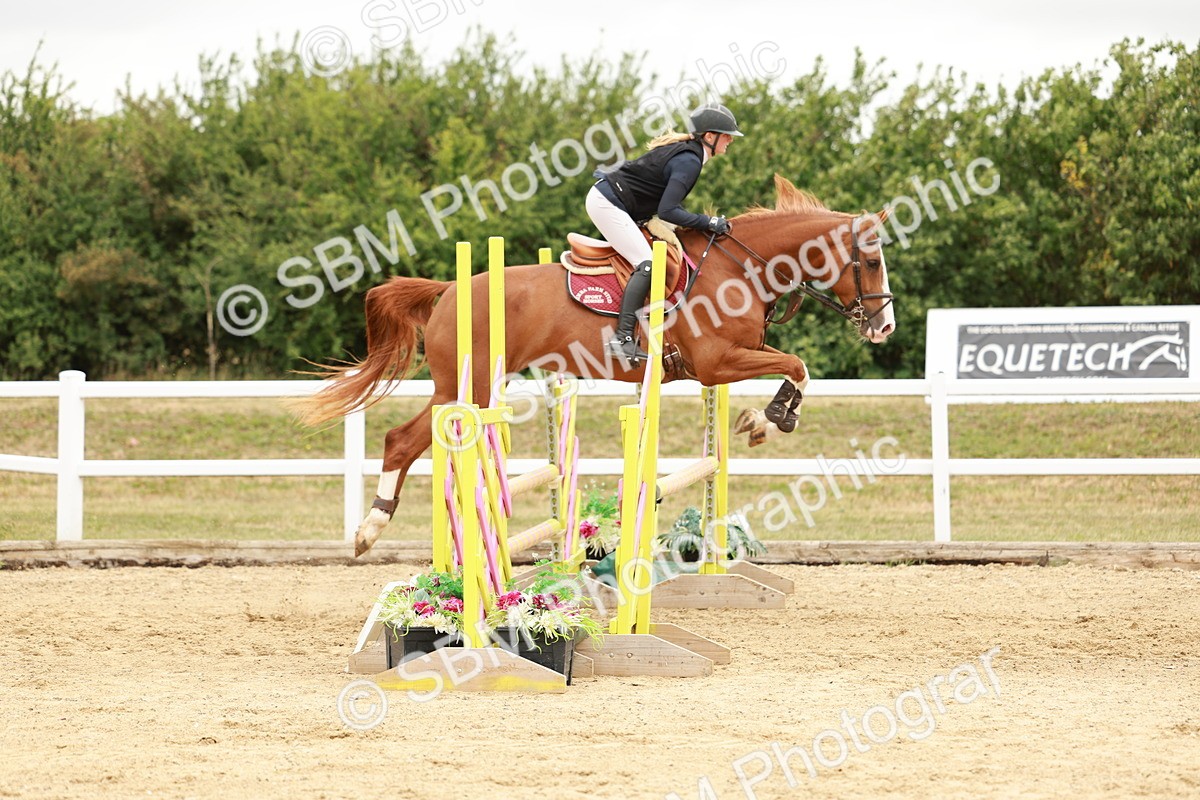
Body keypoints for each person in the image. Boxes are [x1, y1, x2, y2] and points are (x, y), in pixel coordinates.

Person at [587, 102, 743, 363]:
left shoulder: (690, 155)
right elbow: (669, 210)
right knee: (647, 264)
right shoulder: (689, 161)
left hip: (619, 202)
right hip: (607, 203)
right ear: (709, 136)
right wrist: (709, 222)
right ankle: (622, 339)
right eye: (726, 135)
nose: (730, 140)